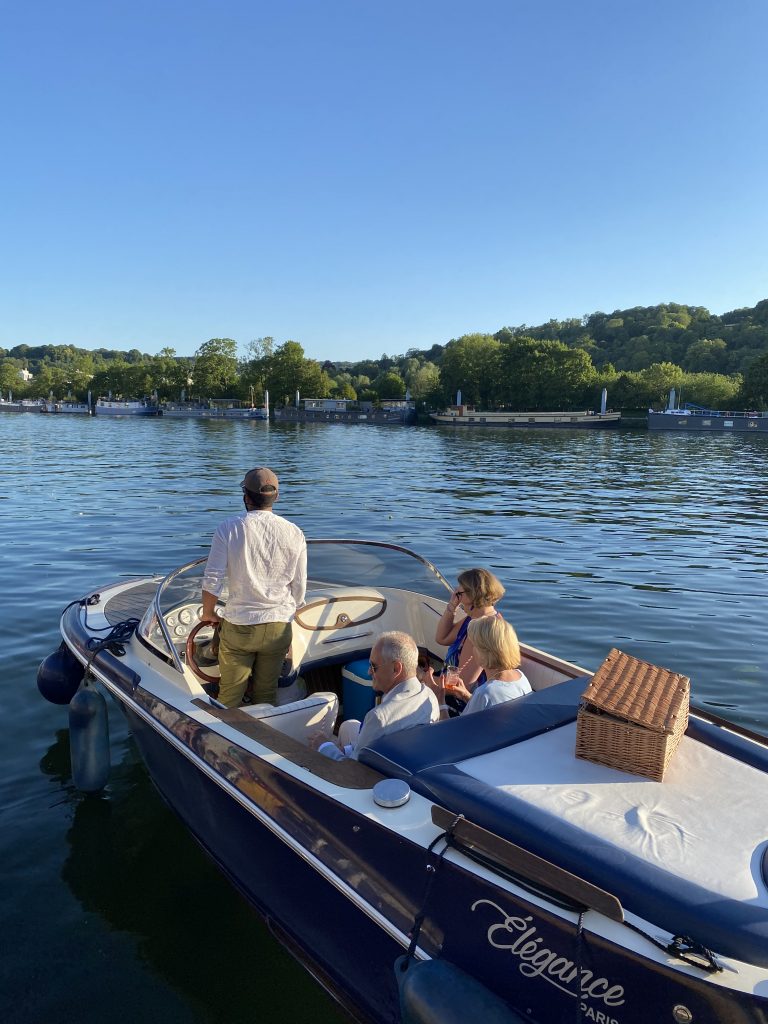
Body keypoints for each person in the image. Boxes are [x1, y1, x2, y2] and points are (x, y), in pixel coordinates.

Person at [200, 467, 306, 708]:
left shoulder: (229, 528)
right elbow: (299, 586)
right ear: (276, 497)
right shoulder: (295, 533)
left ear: (246, 497)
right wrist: (291, 611)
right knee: (266, 694)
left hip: (240, 627)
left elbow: (212, 578)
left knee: (229, 697)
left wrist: (208, 613)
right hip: (278, 628)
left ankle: (226, 740)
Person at [316, 631, 439, 760]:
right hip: (405, 760)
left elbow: (352, 770)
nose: (369, 671)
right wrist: (347, 750)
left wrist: (324, 746)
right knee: (348, 726)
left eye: (374, 666)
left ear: (396, 669)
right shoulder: (430, 696)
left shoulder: (378, 717)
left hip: (379, 774)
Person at [428, 616, 531, 720]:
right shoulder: (521, 677)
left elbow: (455, 732)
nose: (473, 650)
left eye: (474, 646)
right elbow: (490, 708)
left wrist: (440, 700)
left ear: (484, 652)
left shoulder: (485, 692)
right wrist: (465, 695)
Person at [434, 568, 505, 710]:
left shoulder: (482, 629)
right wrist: (451, 607)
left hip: (462, 702)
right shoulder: (474, 619)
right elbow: (442, 638)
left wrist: (421, 677)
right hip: (451, 686)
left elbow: (462, 684)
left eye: (459, 594)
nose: (456, 597)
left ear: (472, 595)